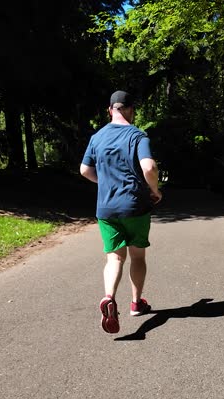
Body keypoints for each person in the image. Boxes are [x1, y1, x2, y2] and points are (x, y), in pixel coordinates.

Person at [80, 90, 162, 334]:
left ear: (110, 110)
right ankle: (136, 303)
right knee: (137, 257)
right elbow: (149, 167)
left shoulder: (97, 137)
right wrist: (155, 190)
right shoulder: (137, 135)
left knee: (114, 258)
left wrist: (105, 182)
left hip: (106, 208)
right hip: (135, 206)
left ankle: (109, 297)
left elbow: (84, 170)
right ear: (131, 110)